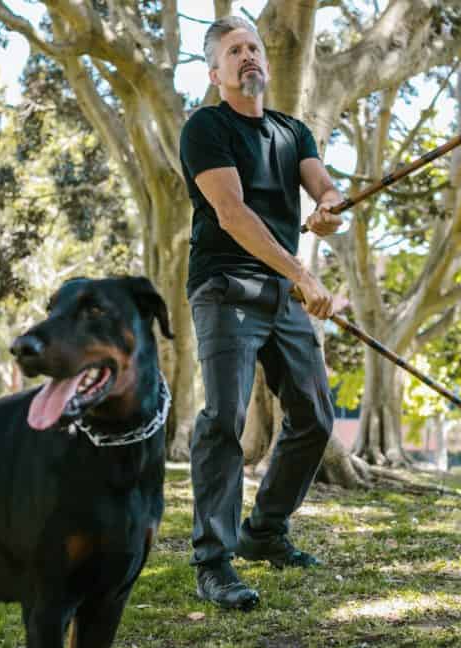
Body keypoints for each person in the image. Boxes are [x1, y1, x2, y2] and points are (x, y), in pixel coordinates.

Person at [180, 16, 345, 611]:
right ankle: (213, 560)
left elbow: (323, 188)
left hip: (279, 292)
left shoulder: (292, 131)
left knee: (315, 416)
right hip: (226, 288)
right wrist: (302, 273)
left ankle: (263, 533)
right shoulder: (205, 128)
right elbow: (233, 214)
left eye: (253, 47)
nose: (248, 56)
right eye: (234, 51)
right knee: (224, 419)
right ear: (215, 71)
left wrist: (328, 207)